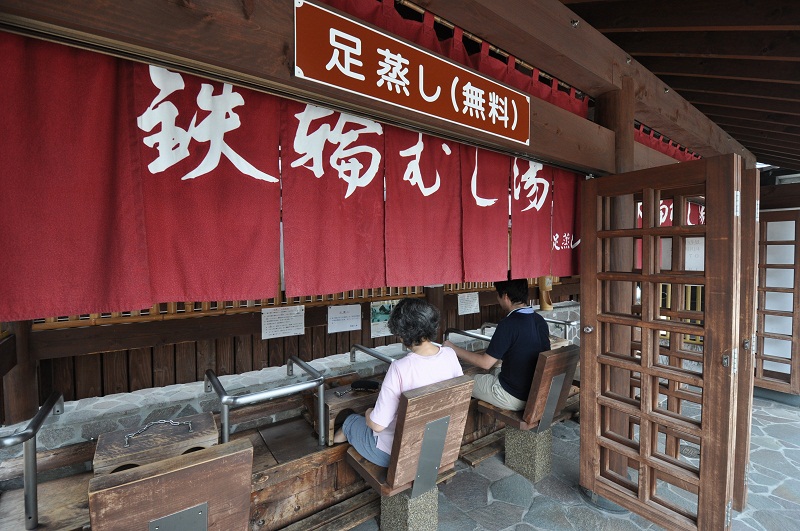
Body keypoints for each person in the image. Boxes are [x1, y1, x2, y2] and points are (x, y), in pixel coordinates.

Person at [333, 297, 463, 467]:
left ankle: (330, 451)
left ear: (402, 334)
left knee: (350, 421)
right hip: (437, 446)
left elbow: (378, 426)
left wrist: (367, 414)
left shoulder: (400, 368)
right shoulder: (449, 355)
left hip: (399, 454)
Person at [444, 278, 550, 411]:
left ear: (505, 296)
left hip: (513, 396)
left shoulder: (508, 324)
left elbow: (485, 363)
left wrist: (453, 348)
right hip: (534, 393)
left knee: (463, 382)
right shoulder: (539, 320)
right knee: (495, 371)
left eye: (497, 295)